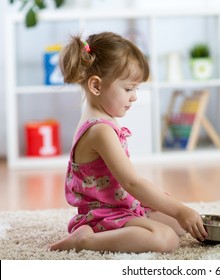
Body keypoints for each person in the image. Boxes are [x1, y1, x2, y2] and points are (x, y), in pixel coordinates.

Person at [49, 32, 207, 254]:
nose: (134, 97)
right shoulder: (100, 130)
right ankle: (85, 240)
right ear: (96, 86)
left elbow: (128, 185)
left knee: (178, 225)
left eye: (137, 89)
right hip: (102, 216)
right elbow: (132, 183)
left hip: (120, 205)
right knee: (166, 238)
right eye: (128, 88)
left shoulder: (101, 118)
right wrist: (180, 210)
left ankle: (136, 224)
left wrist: (174, 211)